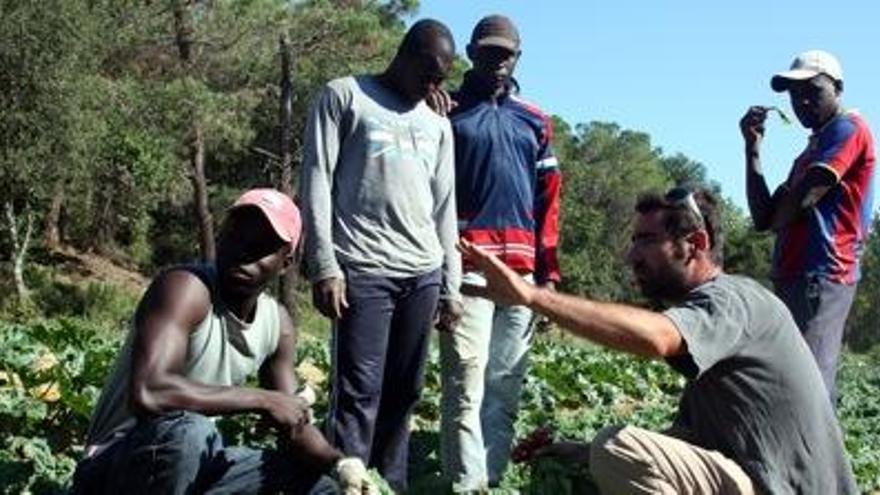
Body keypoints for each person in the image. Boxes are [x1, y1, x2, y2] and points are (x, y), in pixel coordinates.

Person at [459, 187, 857, 494]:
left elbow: (658, 338)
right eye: (634, 240)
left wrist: (532, 297)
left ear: (695, 244)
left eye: (647, 240)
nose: (632, 255)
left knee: (618, 449)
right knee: (599, 458)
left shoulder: (732, 299)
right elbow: (689, 441)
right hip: (760, 482)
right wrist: (578, 452)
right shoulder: (716, 340)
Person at [71, 188, 376, 494]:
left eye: (262, 247)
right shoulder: (186, 289)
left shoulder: (277, 323)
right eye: (235, 237)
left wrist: (341, 465)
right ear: (220, 238)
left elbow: (292, 421)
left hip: (193, 467)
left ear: (286, 262)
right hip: (114, 467)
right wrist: (264, 399)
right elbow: (150, 391)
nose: (243, 252)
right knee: (190, 432)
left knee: (318, 485)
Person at [299, 19, 463, 492]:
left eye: (441, 80)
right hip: (364, 268)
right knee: (358, 395)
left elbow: (445, 207)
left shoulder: (437, 125)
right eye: (428, 74)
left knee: (405, 393)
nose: (433, 87)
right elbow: (316, 180)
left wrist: (450, 285)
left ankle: (390, 485)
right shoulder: (344, 96)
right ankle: (346, 484)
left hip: (423, 273)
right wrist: (324, 264)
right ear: (406, 54)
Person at [430, 14, 562, 492]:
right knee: (465, 385)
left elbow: (548, 203)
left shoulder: (534, 120)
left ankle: (493, 478)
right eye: (488, 51)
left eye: (505, 53)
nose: (497, 61)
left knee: (504, 389)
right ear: (470, 52)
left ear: (518, 56)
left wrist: (549, 276)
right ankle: (467, 487)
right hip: (467, 269)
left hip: (521, 275)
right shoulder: (445, 111)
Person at [740, 50, 876, 404]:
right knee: (791, 378)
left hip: (823, 273)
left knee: (807, 384)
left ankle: (820, 460)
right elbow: (764, 217)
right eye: (794, 94)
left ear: (838, 88)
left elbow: (801, 201)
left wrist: (781, 211)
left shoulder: (849, 129)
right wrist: (752, 148)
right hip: (793, 273)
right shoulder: (810, 151)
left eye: (813, 91)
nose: (801, 101)